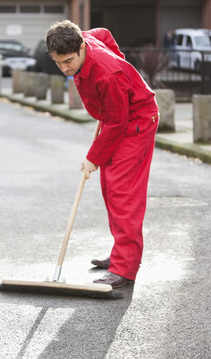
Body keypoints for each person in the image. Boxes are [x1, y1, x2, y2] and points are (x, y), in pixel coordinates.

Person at [45, 20, 159, 288]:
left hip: (136, 122)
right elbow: (105, 34)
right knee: (110, 189)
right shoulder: (79, 37)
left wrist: (93, 157)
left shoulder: (108, 75)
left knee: (124, 194)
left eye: (69, 61)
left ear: (82, 48)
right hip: (117, 118)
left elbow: (118, 123)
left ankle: (125, 267)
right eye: (58, 62)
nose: (65, 69)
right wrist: (119, 60)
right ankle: (122, 252)